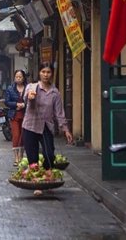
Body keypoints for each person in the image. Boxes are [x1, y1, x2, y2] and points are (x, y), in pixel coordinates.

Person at [22, 62, 74, 196]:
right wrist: (30, 97)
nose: (46, 75)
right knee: (32, 157)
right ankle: (37, 185)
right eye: (43, 72)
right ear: (39, 73)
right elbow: (26, 100)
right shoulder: (32, 87)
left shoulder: (54, 92)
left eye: (48, 72)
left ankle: (47, 176)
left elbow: (59, 113)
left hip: (46, 127)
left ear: (52, 74)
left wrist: (65, 129)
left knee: (49, 154)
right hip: (30, 125)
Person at [5, 70, 27, 166]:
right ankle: (16, 157)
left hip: (26, 115)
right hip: (14, 115)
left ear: (23, 78)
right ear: (14, 78)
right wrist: (16, 104)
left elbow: (32, 100)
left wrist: (24, 104)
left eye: (20, 76)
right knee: (16, 135)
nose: (18, 78)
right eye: (17, 76)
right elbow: (7, 102)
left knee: (23, 137)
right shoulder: (10, 89)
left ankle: (21, 156)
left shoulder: (28, 88)